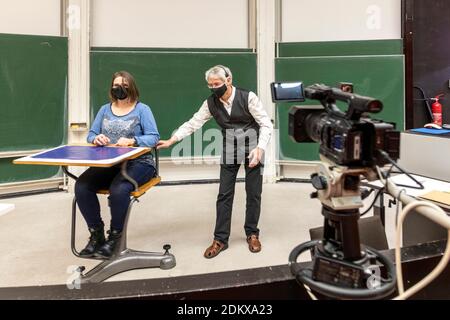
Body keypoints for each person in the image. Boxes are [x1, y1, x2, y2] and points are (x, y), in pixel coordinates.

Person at [158, 65, 273, 258]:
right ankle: (220, 239)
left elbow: (265, 123)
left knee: (253, 194)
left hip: (254, 148)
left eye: (217, 84)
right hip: (230, 150)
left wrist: (260, 148)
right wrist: (173, 139)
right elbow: (193, 122)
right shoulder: (210, 103)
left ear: (228, 79)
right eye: (210, 85)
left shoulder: (248, 97)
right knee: (224, 195)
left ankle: (252, 233)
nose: (213, 88)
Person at [75, 71, 160, 259]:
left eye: (124, 84)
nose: (119, 88)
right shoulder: (105, 109)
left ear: (131, 86)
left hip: (139, 163)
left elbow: (154, 137)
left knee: (119, 189)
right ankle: (96, 235)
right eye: (115, 85)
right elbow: (91, 134)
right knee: (81, 186)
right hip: (110, 163)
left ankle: (115, 238)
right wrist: (96, 138)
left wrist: (133, 141)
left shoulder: (142, 109)